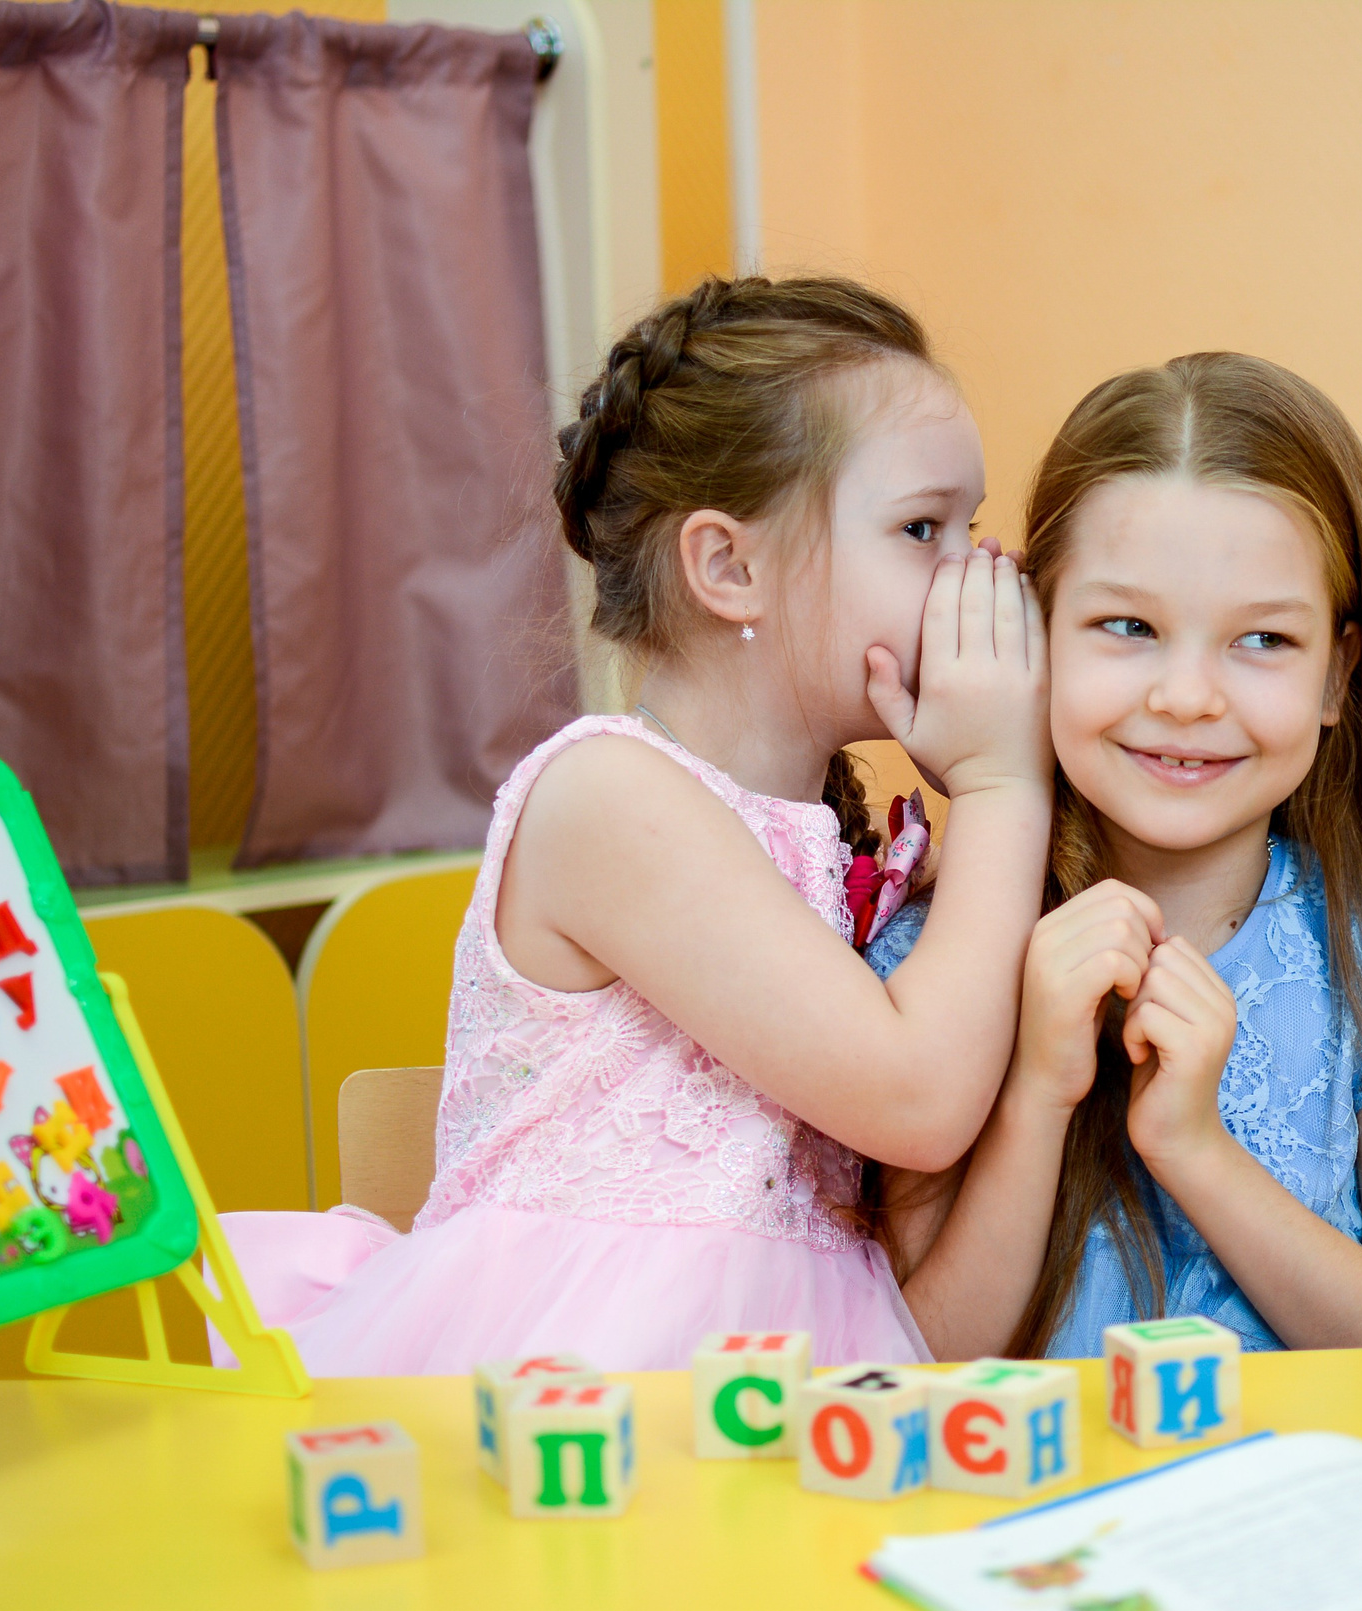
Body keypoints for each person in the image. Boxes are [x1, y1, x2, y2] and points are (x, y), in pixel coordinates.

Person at [216, 276, 1049, 1374]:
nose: (976, 577)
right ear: (728, 566)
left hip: (788, 1366)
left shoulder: (838, 829)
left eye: (971, 529)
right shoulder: (611, 797)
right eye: (921, 529)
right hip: (582, 1373)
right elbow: (918, 1098)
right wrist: (999, 787)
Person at [868, 352, 1362, 1360]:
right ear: (1037, 631)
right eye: (1127, 626)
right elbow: (920, 1364)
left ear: (1337, 674)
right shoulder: (937, 966)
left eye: (1263, 641)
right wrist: (1036, 1094)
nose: (1187, 696)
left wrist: (1195, 1151)